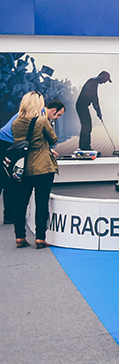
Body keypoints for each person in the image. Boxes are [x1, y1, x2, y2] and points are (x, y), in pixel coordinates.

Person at [10, 94, 64, 249]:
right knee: (41, 203)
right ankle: (40, 238)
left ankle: (20, 237)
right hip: (43, 168)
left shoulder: (16, 123)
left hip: (24, 168)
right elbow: (53, 140)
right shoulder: (41, 121)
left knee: (20, 203)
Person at [75, 70, 111, 151]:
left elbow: (95, 99)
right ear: (102, 76)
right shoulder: (93, 81)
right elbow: (94, 98)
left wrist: (98, 111)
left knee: (87, 126)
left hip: (83, 106)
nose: (105, 82)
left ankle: (84, 146)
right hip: (81, 106)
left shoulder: (94, 82)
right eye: (105, 80)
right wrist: (98, 112)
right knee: (86, 126)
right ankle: (84, 147)